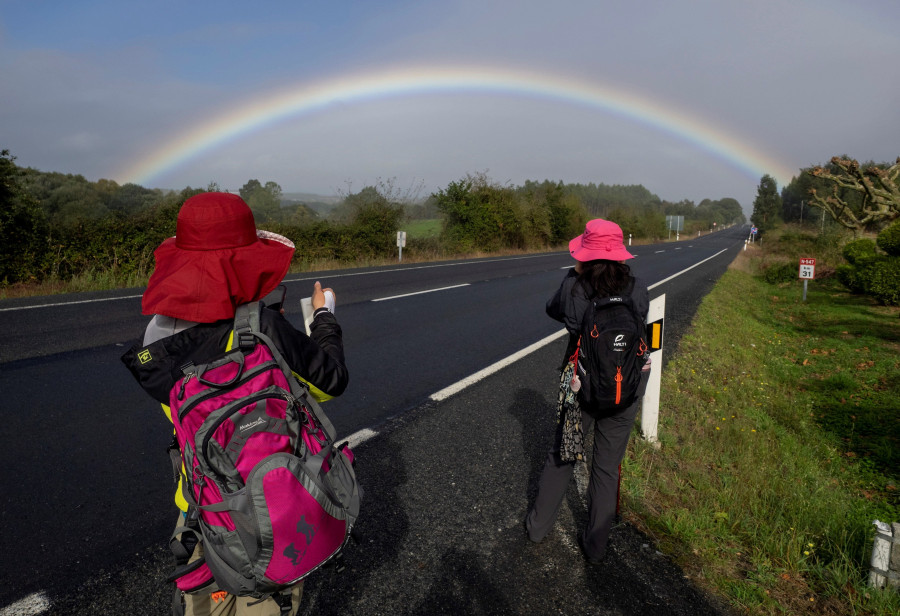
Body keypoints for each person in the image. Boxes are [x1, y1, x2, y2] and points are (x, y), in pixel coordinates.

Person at [122, 192, 349, 615]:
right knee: (265, 601)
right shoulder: (263, 327)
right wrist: (323, 318)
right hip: (269, 503)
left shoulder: (155, 337)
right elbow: (329, 383)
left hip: (200, 504)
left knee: (205, 606)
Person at [525, 218, 650, 564]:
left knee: (563, 455)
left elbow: (554, 310)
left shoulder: (574, 286)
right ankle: (596, 547)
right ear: (619, 253)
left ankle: (537, 528)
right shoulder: (637, 287)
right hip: (628, 386)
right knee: (606, 468)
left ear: (586, 252)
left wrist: (575, 281)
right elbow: (640, 322)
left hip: (581, 385)